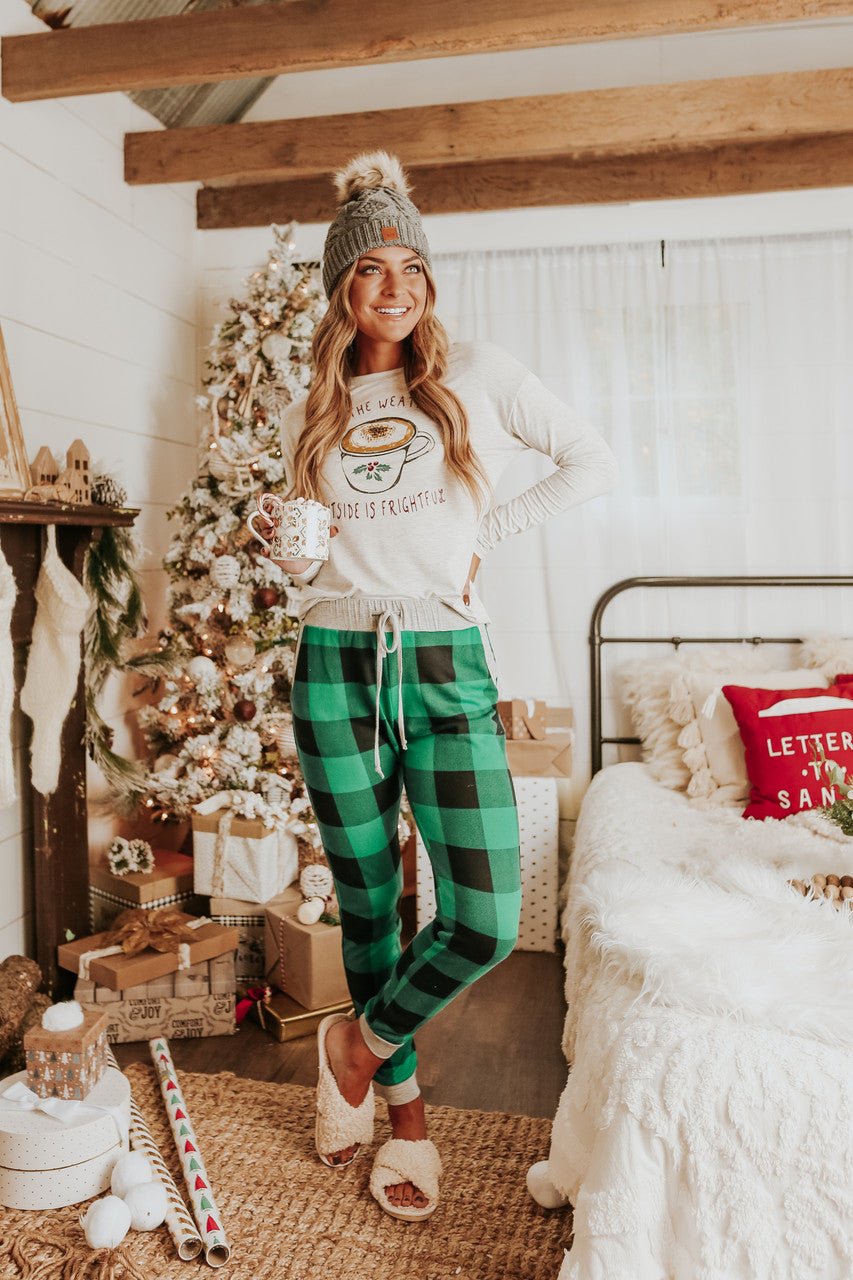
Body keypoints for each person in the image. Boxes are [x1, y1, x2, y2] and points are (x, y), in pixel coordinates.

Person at [257, 151, 618, 1222]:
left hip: (445, 661)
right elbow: (317, 553)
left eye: (412, 263)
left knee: (481, 916)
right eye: (372, 266)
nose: (396, 283)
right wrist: (284, 549)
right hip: (334, 660)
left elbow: (589, 459)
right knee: (369, 906)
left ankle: (352, 1046)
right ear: (342, 288)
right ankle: (406, 1122)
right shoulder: (308, 411)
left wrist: (482, 542)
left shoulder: (483, 374)